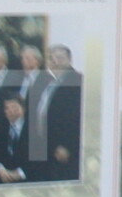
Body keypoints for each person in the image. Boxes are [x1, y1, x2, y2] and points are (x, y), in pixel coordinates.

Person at [30, 44, 85, 182]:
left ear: (70, 60)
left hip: (63, 149)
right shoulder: (50, 82)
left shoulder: (77, 81)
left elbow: (76, 118)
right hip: (46, 145)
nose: (55, 61)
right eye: (51, 58)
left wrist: (67, 146)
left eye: (60, 58)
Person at [0, 96, 32, 184]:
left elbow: (38, 160)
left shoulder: (34, 129)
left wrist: (19, 174)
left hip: (28, 180)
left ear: (23, 109)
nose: (10, 110)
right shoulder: (0, 127)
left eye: (14, 107)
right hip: (2, 178)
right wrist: (0, 169)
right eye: (7, 108)